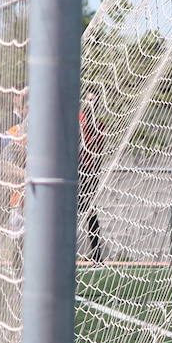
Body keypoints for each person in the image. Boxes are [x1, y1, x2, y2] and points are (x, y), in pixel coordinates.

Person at [77, 87, 107, 263]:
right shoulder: (76, 121)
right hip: (72, 171)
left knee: (91, 212)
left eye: (94, 101)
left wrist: (93, 169)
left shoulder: (100, 126)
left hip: (88, 173)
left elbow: (98, 151)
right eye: (89, 100)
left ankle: (96, 255)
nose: (91, 104)